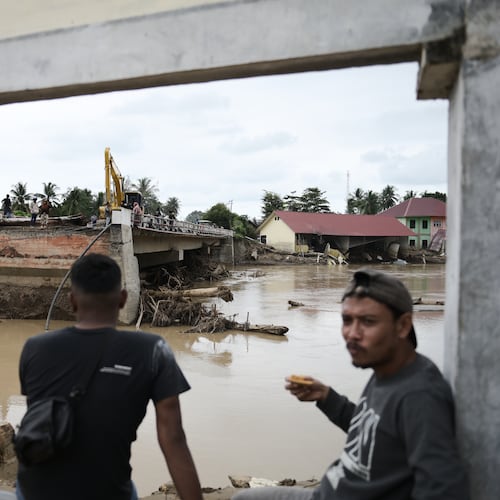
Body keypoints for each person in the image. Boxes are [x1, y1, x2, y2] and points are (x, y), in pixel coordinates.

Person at [233, 269, 469, 500]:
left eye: (368, 321)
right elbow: (372, 433)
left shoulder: (419, 395)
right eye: (347, 320)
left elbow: (443, 488)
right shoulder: (385, 369)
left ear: (403, 326)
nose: (352, 333)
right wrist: (326, 397)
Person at [16, 253, 203, 500]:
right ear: (123, 299)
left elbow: (43, 417)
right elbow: (173, 438)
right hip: (108, 492)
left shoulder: (34, 347)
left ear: (72, 301)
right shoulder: (153, 350)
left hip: (35, 491)